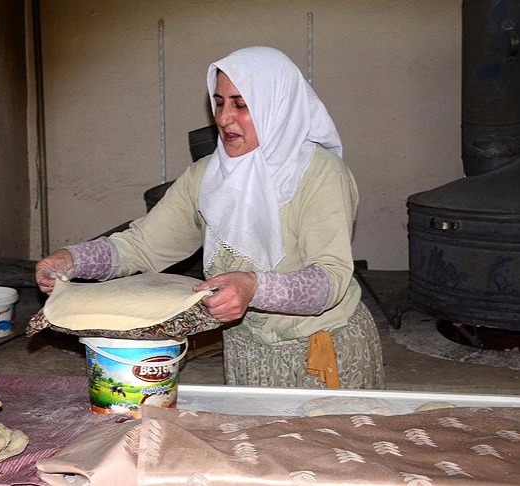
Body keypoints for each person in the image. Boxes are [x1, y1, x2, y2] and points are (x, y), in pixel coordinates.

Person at [35, 46, 384, 390]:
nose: (223, 118)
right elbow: (143, 246)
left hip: (320, 354)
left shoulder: (319, 173)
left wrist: (254, 287)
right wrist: (73, 259)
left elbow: (330, 280)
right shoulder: (207, 176)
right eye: (219, 102)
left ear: (278, 106)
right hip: (247, 352)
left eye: (241, 105)